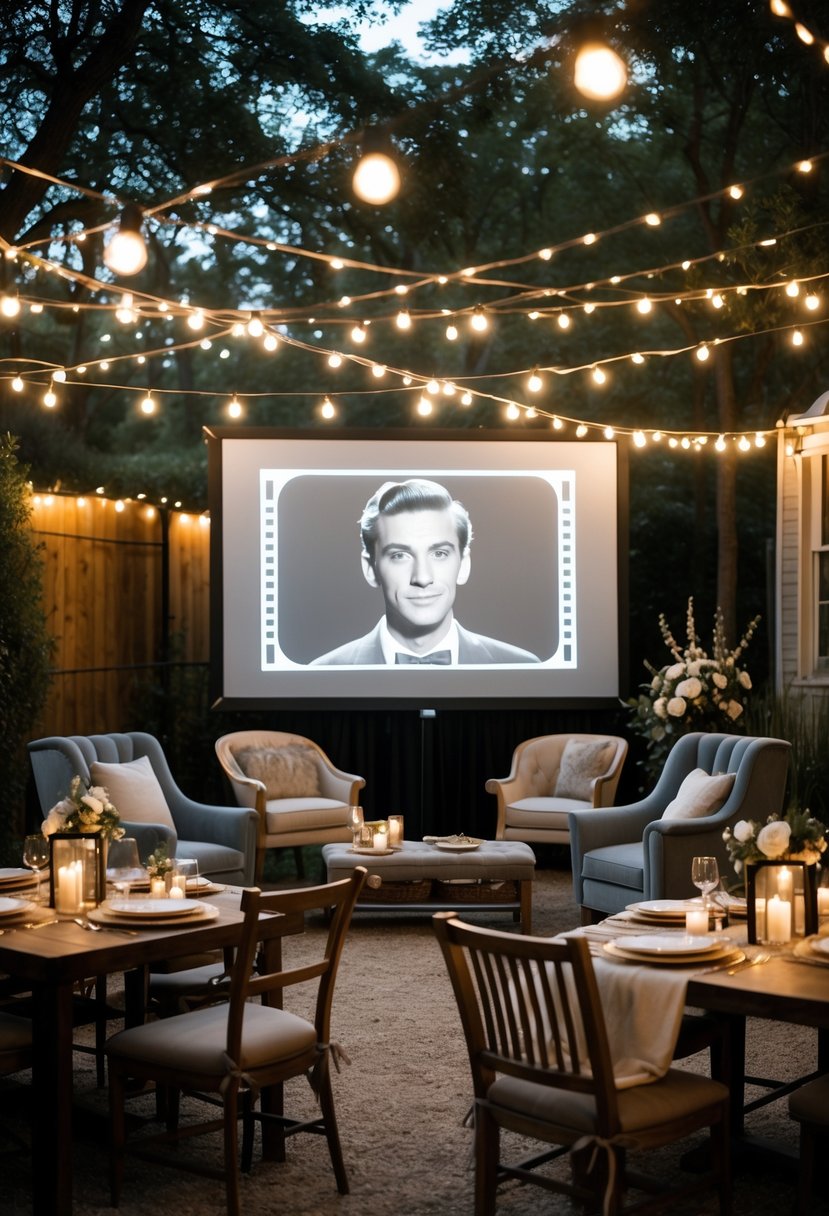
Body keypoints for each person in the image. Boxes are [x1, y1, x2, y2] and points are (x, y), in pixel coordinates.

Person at [310, 478, 540, 665]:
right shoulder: (318, 675)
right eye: (400, 555)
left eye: (439, 553)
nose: (422, 577)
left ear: (464, 564)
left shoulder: (527, 669)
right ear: (371, 569)